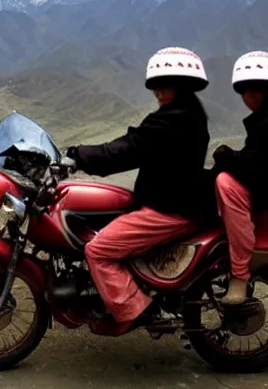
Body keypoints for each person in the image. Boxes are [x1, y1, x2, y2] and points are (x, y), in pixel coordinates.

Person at [65, 46, 210, 329]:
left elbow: (129, 149)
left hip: (169, 209)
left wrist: (78, 156)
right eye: (154, 85)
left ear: (180, 85)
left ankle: (133, 312)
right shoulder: (187, 114)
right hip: (173, 202)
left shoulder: (174, 119)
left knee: (98, 250)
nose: (156, 91)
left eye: (162, 84)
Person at [212, 51, 268, 305]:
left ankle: (239, 277)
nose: (245, 97)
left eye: (248, 90)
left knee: (226, 184)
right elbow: (255, 156)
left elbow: (258, 165)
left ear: (261, 91)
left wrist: (227, 159)